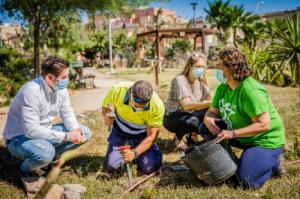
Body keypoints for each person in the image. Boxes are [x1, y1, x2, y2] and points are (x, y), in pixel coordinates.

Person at [199, 47, 286, 189]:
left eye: (220, 65)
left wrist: (232, 133)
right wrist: (207, 118)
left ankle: (274, 163)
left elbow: (263, 125)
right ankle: (233, 163)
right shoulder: (223, 87)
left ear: (231, 69)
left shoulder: (250, 90)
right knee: (205, 127)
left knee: (246, 183)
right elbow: (212, 112)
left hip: (264, 140)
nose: (217, 68)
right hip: (242, 135)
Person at [3, 56, 92, 175]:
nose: (68, 79)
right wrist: (66, 136)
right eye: (64, 77)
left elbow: (67, 113)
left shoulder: (61, 89)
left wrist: (75, 131)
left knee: (84, 132)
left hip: (44, 132)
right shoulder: (31, 91)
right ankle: (25, 170)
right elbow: (31, 131)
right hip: (18, 138)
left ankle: (48, 161)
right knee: (46, 153)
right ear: (50, 78)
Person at [102, 80, 164, 174]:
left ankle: (148, 151)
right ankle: (130, 149)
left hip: (142, 135)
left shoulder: (157, 106)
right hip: (120, 131)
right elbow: (105, 108)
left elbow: (151, 136)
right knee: (111, 168)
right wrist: (107, 117)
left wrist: (134, 153)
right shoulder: (117, 90)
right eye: (136, 103)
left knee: (150, 168)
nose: (138, 107)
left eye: (143, 105)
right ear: (130, 93)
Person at [163, 52, 211, 150]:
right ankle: (178, 138)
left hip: (189, 114)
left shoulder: (200, 82)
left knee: (209, 112)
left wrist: (205, 80)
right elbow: (187, 105)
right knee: (194, 121)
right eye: (198, 66)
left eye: (203, 67)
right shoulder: (179, 80)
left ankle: (192, 136)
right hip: (172, 117)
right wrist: (210, 103)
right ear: (190, 66)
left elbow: (211, 100)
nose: (201, 70)